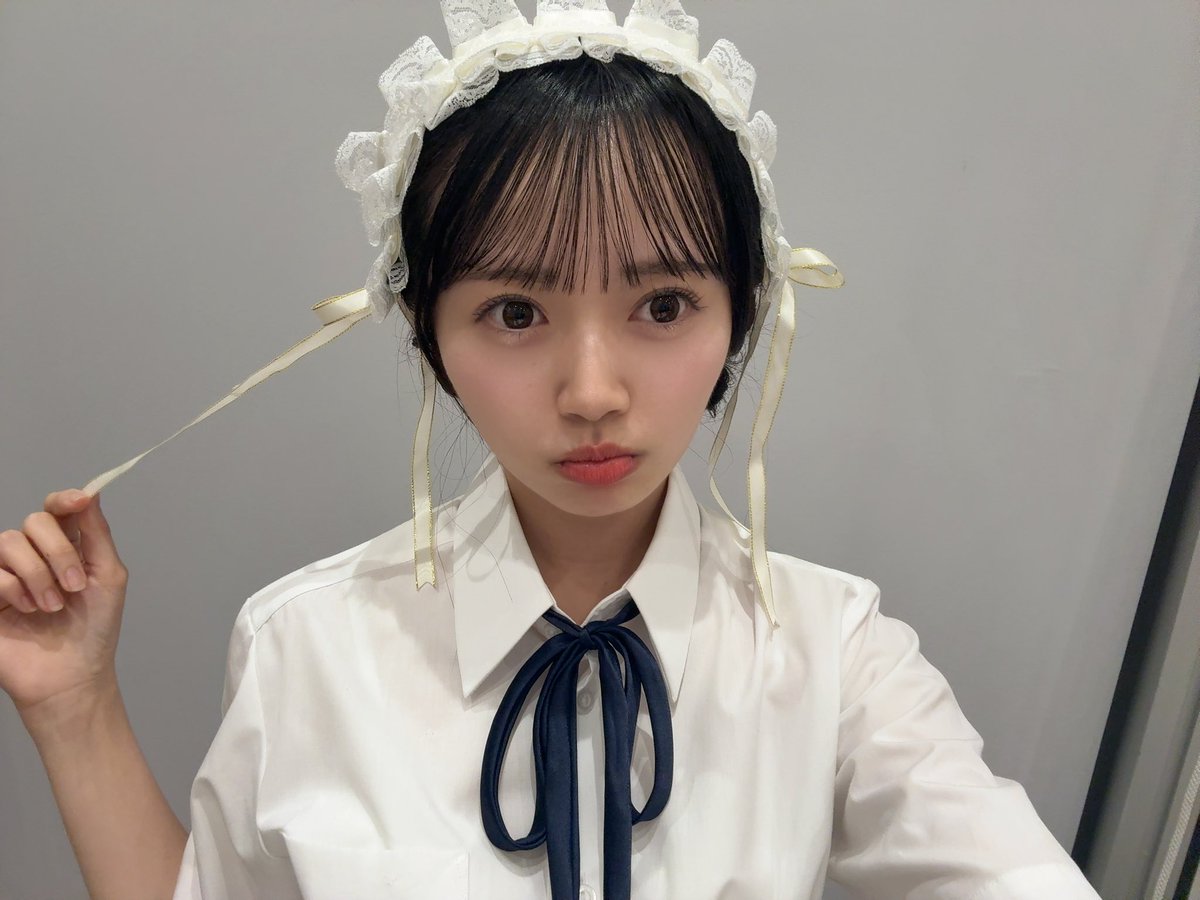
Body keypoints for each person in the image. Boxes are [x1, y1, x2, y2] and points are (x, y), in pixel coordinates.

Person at [0, 2, 1105, 898]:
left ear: (743, 311)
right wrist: (74, 708)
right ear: (428, 331)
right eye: (517, 313)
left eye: (663, 305)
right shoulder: (309, 647)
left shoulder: (835, 656)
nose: (592, 392)